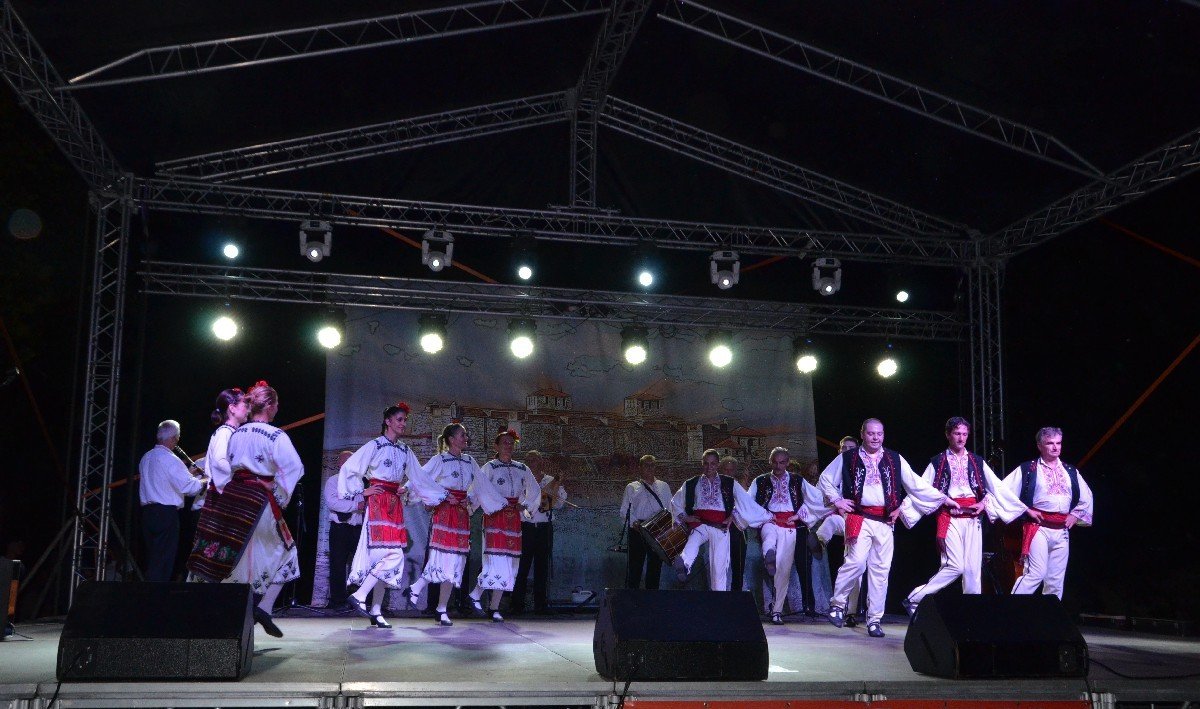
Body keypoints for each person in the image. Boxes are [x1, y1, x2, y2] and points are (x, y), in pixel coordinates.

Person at [187, 381, 303, 638]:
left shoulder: (235, 432)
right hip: (258, 501)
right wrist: (277, 490)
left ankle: (232, 620)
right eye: (276, 404)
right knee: (288, 552)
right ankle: (261, 608)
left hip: (233, 499)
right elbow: (294, 467)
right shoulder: (275, 435)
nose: (277, 409)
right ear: (269, 406)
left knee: (238, 559)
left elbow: (223, 466)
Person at [819, 418, 955, 638]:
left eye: (879, 434)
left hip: (884, 521)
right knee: (855, 562)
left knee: (880, 571)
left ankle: (874, 620)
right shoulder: (848, 457)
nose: (875, 438)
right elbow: (825, 479)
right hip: (859, 517)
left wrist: (943, 499)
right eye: (871, 433)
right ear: (862, 434)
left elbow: (916, 485)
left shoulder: (894, 458)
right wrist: (837, 500)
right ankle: (837, 605)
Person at [901, 417, 1026, 613]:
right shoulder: (938, 461)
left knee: (973, 570)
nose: (961, 438)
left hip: (973, 519)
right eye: (957, 433)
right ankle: (914, 598)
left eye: (965, 434)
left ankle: (971, 612)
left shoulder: (976, 461)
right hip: (950, 518)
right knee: (955, 566)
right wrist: (903, 510)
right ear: (948, 435)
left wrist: (983, 504)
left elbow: (997, 487)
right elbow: (921, 488)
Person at [405, 423, 505, 626]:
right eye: (462, 435)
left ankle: (437, 604)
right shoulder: (440, 460)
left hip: (461, 514)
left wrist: (473, 499)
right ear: (451, 439)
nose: (466, 438)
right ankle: (423, 593)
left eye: (466, 435)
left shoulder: (469, 461)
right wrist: (438, 494)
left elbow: (481, 485)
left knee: (455, 561)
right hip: (444, 513)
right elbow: (422, 478)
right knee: (441, 557)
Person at [339, 402, 426, 628]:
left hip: (394, 505)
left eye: (405, 420)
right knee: (390, 556)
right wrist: (362, 491)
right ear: (388, 421)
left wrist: (406, 488)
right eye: (399, 420)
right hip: (378, 503)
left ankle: (376, 610)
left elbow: (419, 476)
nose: (403, 424)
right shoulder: (375, 445)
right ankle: (360, 595)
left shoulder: (405, 450)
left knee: (387, 559)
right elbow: (350, 468)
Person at [1001, 427, 1094, 599]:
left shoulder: (1070, 471)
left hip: (1061, 530)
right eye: (1050, 443)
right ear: (1039, 446)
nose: (1055, 447)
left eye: (1058, 443)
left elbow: (1086, 496)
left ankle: (1050, 614)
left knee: (1055, 580)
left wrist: (1076, 515)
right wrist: (1026, 510)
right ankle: (1012, 610)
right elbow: (1003, 491)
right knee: (1036, 573)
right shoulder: (1029, 468)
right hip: (1038, 527)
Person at [670, 449, 769, 591]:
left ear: (717, 464)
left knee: (719, 568)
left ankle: (719, 597)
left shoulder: (729, 482)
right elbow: (675, 502)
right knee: (692, 542)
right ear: (702, 464)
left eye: (712, 464)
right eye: (706, 463)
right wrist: (685, 517)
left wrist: (735, 515)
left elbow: (745, 502)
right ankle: (684, 565)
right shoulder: (691, 483)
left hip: (720, 527)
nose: (709, 467)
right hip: (700, 523)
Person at [467, 429, 540, 622]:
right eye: (505, 442)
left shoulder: (521, 468)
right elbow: (478, 488)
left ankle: (493, 606)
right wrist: (469, 505)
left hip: (513, 519)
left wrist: (525, 505)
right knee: (496, 560)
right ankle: (476, 594)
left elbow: (534, 490)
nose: (508, 446)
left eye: (511, 443)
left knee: (509, 562)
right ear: (496, 446)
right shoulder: (490, 467)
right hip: (495, 517)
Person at [752, 448, 825, 624]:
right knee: (768, 537)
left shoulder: (797, 480)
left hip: (790, 525)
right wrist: (763, 515)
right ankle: (769, 554)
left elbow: (817, 498)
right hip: (770, 520)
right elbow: (748, 501)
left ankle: (777, 611)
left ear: (787, 462)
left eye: (782, 462)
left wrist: (800, 515)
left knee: (783, 570)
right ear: (770, 462)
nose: (778, 466)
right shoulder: (760, 480)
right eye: (775, 462)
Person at [139, 419, 206, 582]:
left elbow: (165, 482)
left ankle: (149, 594)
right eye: (177, 438)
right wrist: (206, 479)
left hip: (148, 514)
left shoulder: (146, 457)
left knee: (153, 558)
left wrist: (188, 473)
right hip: (165, 514)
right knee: (163, 561)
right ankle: (155, 596)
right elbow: (190, 488)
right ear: (174, 438)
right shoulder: (171, 459)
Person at [511, 450, 567, 615]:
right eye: (528, 460)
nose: (531, 462)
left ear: (541, 461)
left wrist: (557, 484)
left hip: (544, 526)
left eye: (534, 459)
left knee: (542, 566)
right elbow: (516, 500)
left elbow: (558, 504)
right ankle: (517, 604)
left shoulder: (550, 480)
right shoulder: (521, 479)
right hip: (525, 526)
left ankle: (540, 604)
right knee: (522, 565)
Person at [619, 454, 673, 590]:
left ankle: (652, 598)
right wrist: (634, 523)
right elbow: (624, 510)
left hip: (658, 529)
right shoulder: (632, 487)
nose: (649, 468)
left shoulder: (664, 486)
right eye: (646, 465)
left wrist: (667, 526)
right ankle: (633, 597)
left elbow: (670, 508)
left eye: (652, 465)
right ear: (640, 467)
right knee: (635, 566)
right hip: (638, 529)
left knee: (655, 566)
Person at [322, 471, 362, 610]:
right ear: (340, 464)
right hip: (340, 528)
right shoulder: (334, 480)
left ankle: (358, 598)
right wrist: (356, 506)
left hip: (359, 528)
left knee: (360, 565)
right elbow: (333, 503)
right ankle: (338, 601)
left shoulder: (361, 481)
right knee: (338, 564)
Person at [719, 456, 749, 592]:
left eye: (731, 470)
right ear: (721, 469)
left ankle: (736, 594)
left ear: (735, 471)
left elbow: (746, 506)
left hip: (738, 529)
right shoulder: (715, 485)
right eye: (726, 469)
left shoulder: (739, 486)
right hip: (720, 528)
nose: (728, 472)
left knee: (738, 565)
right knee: (719, 566)